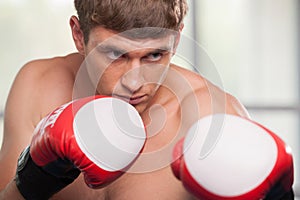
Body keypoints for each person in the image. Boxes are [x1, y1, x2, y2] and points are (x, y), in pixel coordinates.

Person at [0, 0, 294, 199]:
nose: (135, 81)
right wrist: (34, 178)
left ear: (177, 40)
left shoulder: (213, 116)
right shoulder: (38, 86)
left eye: (155, 55)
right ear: (79, 35)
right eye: (116, 54)